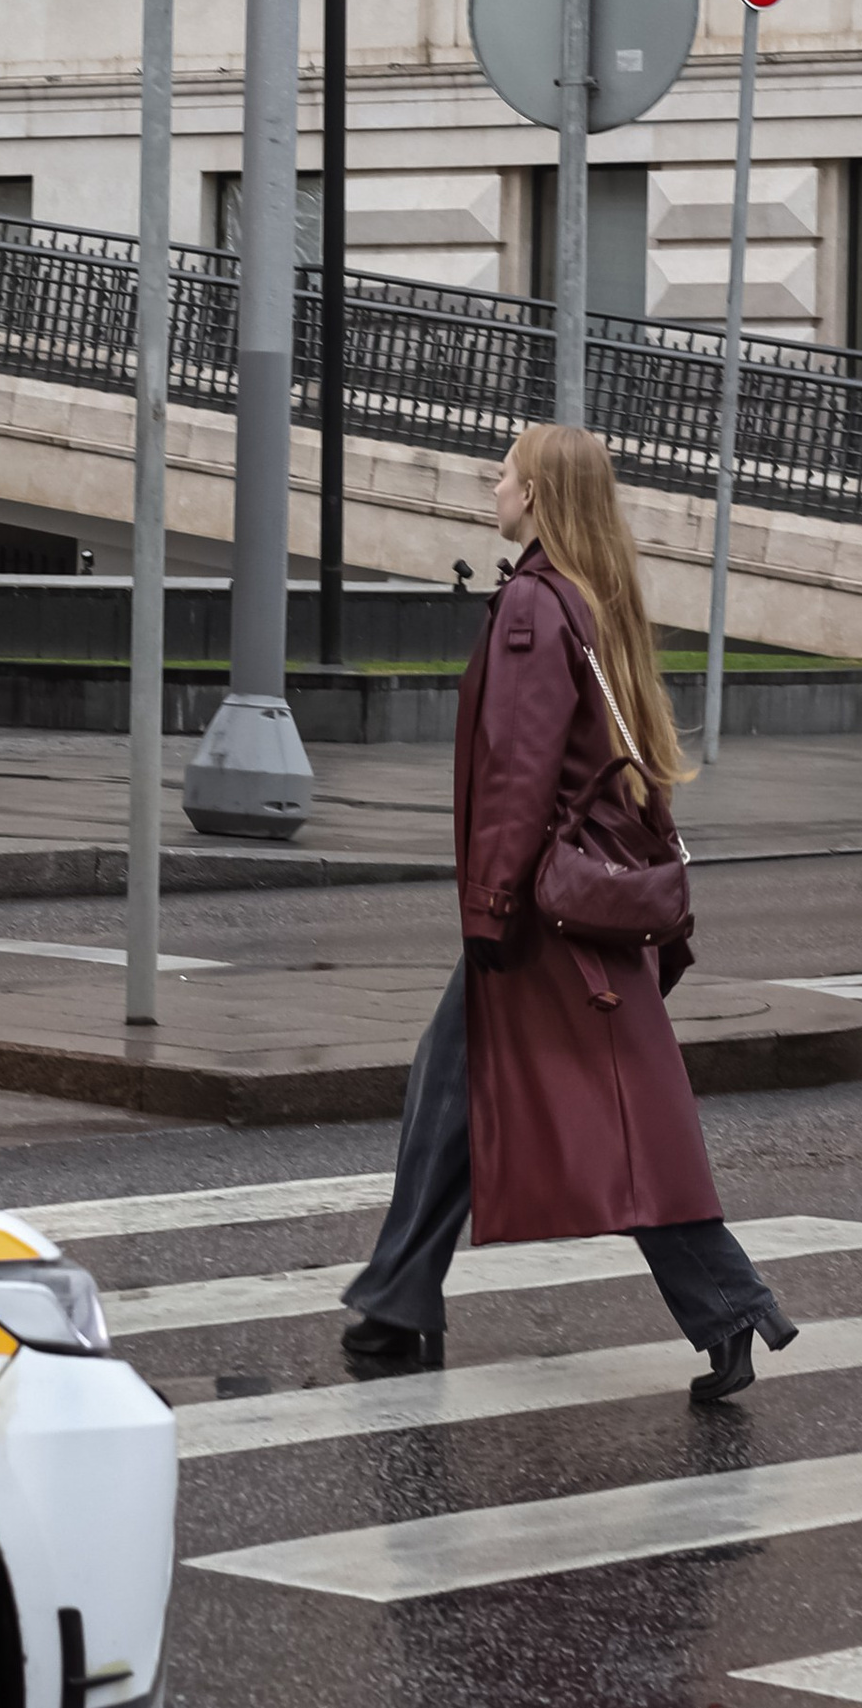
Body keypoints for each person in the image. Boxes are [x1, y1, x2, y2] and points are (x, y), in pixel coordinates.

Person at [341, 421, 798, 1405]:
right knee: (457, 1087)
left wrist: (490, 906)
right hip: (573, 903)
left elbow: (520, 769)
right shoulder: (596, 597)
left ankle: (727, 1306)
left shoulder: (531, 608)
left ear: (538, 495)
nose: (493, 484)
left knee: (614, 1127)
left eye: (504, 472)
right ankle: (396, 1297)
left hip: (540, 916)